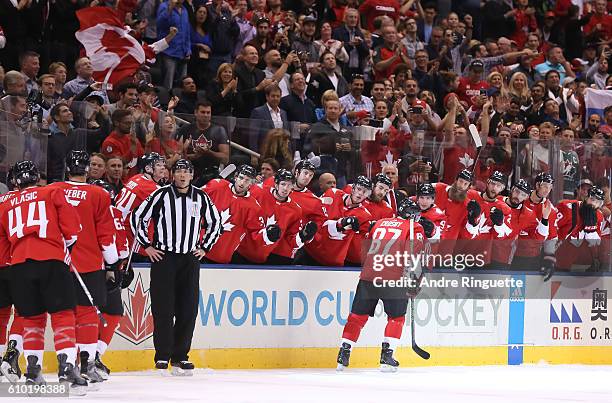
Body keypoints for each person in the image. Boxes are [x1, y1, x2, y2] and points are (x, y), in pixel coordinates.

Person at [0, 161, 88, 393]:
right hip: (51, 260)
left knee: (31, 319)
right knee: (62, 315)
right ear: (36, 176)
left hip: (18, 266)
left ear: (15, 181)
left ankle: (32, 372)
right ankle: (67, 368)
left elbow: (2, 248)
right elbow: (72, 228)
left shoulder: (4, 203)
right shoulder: (52, 191)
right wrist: (65, 245)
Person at [132, 159, 221, 374]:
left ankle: (180, 356)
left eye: (186, 172)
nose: (182, 176)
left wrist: (204, 247)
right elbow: (137, 217)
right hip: (164, 258)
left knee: (188, 309)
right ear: (173, 174)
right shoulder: (161, 194)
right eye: (179, 171)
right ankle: (162, 356)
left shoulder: (201, 197)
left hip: (189, 259)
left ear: (192, 175)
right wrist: (147, 246)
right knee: (163, 308)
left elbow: (215, 222)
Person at [48, 150, 119, 386]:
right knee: (88, 314)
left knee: (65, 315)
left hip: (58, 263)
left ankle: (67, 365)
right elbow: (106, 236)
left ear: (67, 168)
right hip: (89, 264)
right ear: (87, 169)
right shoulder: (98, 194)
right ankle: (87, 365)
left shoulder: (51, 191)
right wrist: (113, 264)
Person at [337, 198, 427, 372]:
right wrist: (416, 280)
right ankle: (387, 356)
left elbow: (368, 246)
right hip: (394, 276)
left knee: (357, 316)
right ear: (412, 215)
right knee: (396, 317)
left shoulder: (379, 222)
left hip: (370, 274)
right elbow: (414, 255)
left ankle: (344, 352)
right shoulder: (413, 227)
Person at [89, 179, 131, 380]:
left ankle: (88, 357)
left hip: (83, 268)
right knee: (111, 312)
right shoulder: (113, 212)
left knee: (86, 314)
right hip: (107, 270)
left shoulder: (82, 209)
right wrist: (118, 266)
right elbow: (121, 248)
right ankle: (92, 356)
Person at [203, 165, 280, 264]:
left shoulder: (253, 208)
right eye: (241, 178)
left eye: (247, 180)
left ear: (252, 184)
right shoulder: (217, 186)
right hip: (197, 250)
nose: (242, 183)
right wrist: (201, 181)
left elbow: (256, 233)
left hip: (221, 258)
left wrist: (268, 236)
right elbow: (193, 199)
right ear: (235, 177)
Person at [237, 169, 316, 263]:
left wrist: (302, 236)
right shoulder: (258, 191)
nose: (285, 189)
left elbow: (291, 241)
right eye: (283, 184)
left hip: (262, 257)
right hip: (239, 251)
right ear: (276, 184)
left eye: (289, 185)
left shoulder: (295, 210)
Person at [302, 176, 373, 266]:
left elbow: (360, 247)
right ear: (353, 188)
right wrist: (341, 223)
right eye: (359, 189)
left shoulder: (365, 216)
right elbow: (317, 220)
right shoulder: (333, 193)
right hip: (310, 252)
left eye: (365, 192)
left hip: (332, 262)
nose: (360, 194)